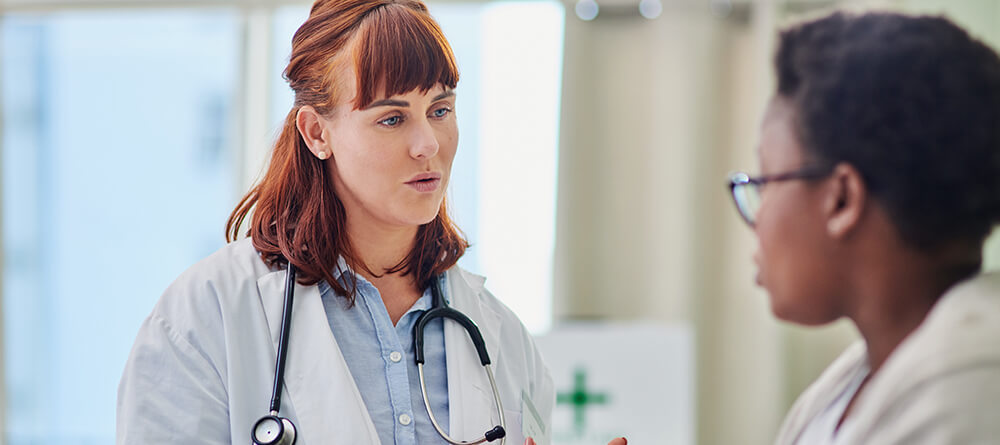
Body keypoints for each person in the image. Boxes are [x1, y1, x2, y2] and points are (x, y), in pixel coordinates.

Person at [116, 0, 554, 443]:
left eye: (440, 111)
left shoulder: (503, 338)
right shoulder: (206, 316)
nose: (427, 145)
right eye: (392, 118)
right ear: (317, 133)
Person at [727, 10, 1000, 444]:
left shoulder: (967, 389)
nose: (756, 220)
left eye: (764, 179)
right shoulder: (855, 380)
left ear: (841, 199)